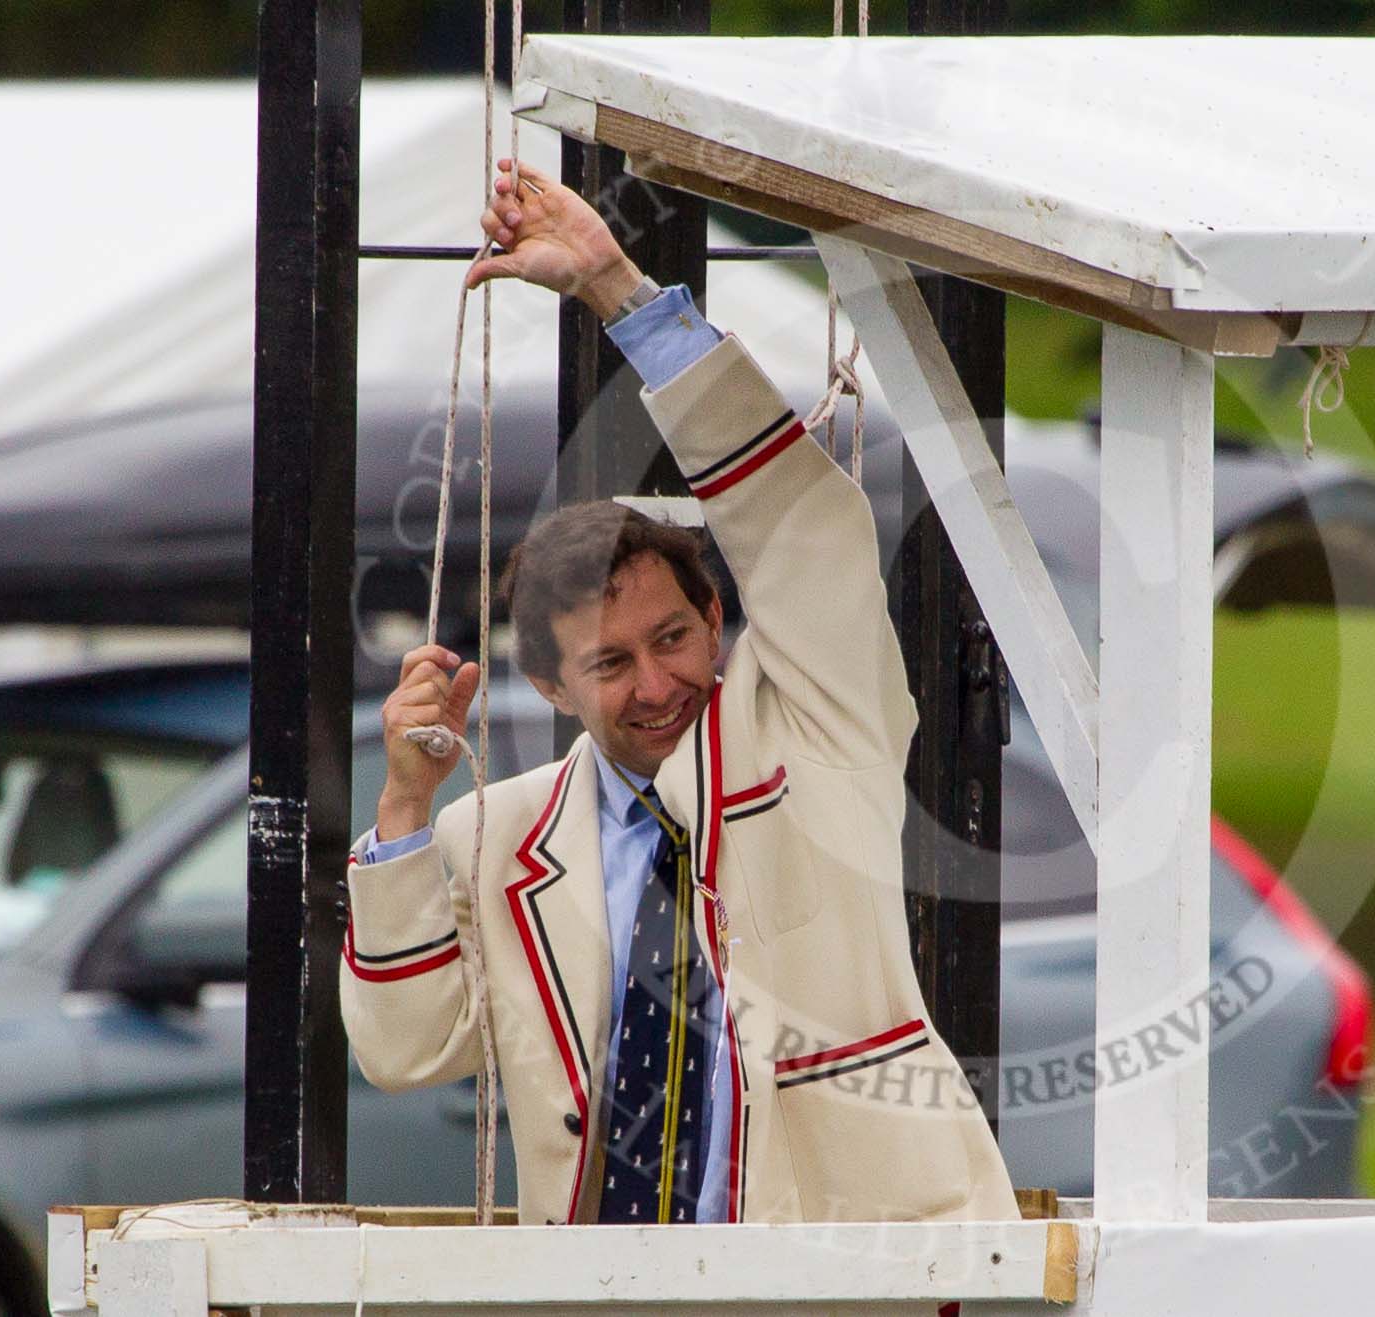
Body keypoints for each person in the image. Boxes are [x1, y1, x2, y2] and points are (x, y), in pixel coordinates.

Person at [339, 158, 1018, 1228]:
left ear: (714, 619)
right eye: (611, 664)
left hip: (843, 1275)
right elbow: (405, 1048)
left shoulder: (810, 726)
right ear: (553, 687)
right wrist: (402, 813)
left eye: (672, 638)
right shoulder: (493, 835)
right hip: (601, 1293)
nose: (658, 684)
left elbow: (810, 529)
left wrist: (616, 289)